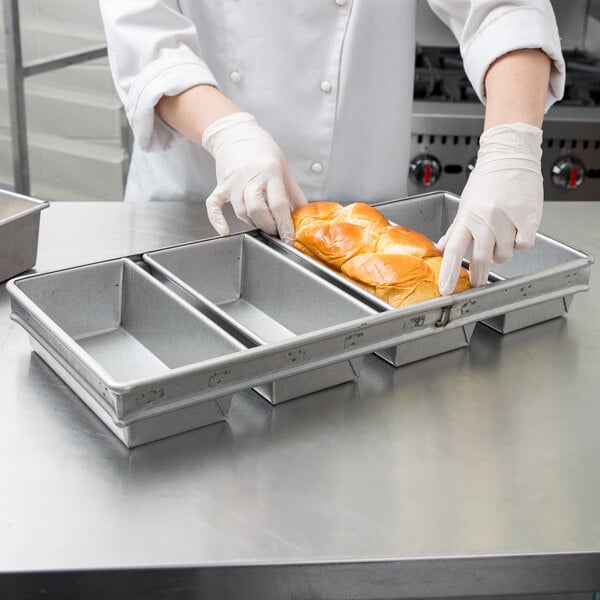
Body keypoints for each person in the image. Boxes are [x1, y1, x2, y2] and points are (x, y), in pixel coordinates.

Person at [98, 1, 565, 295]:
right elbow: (144, 33)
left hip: (366, 222)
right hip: (198, 211)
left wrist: (512, 144)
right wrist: (227, 132)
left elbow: (506, 8)